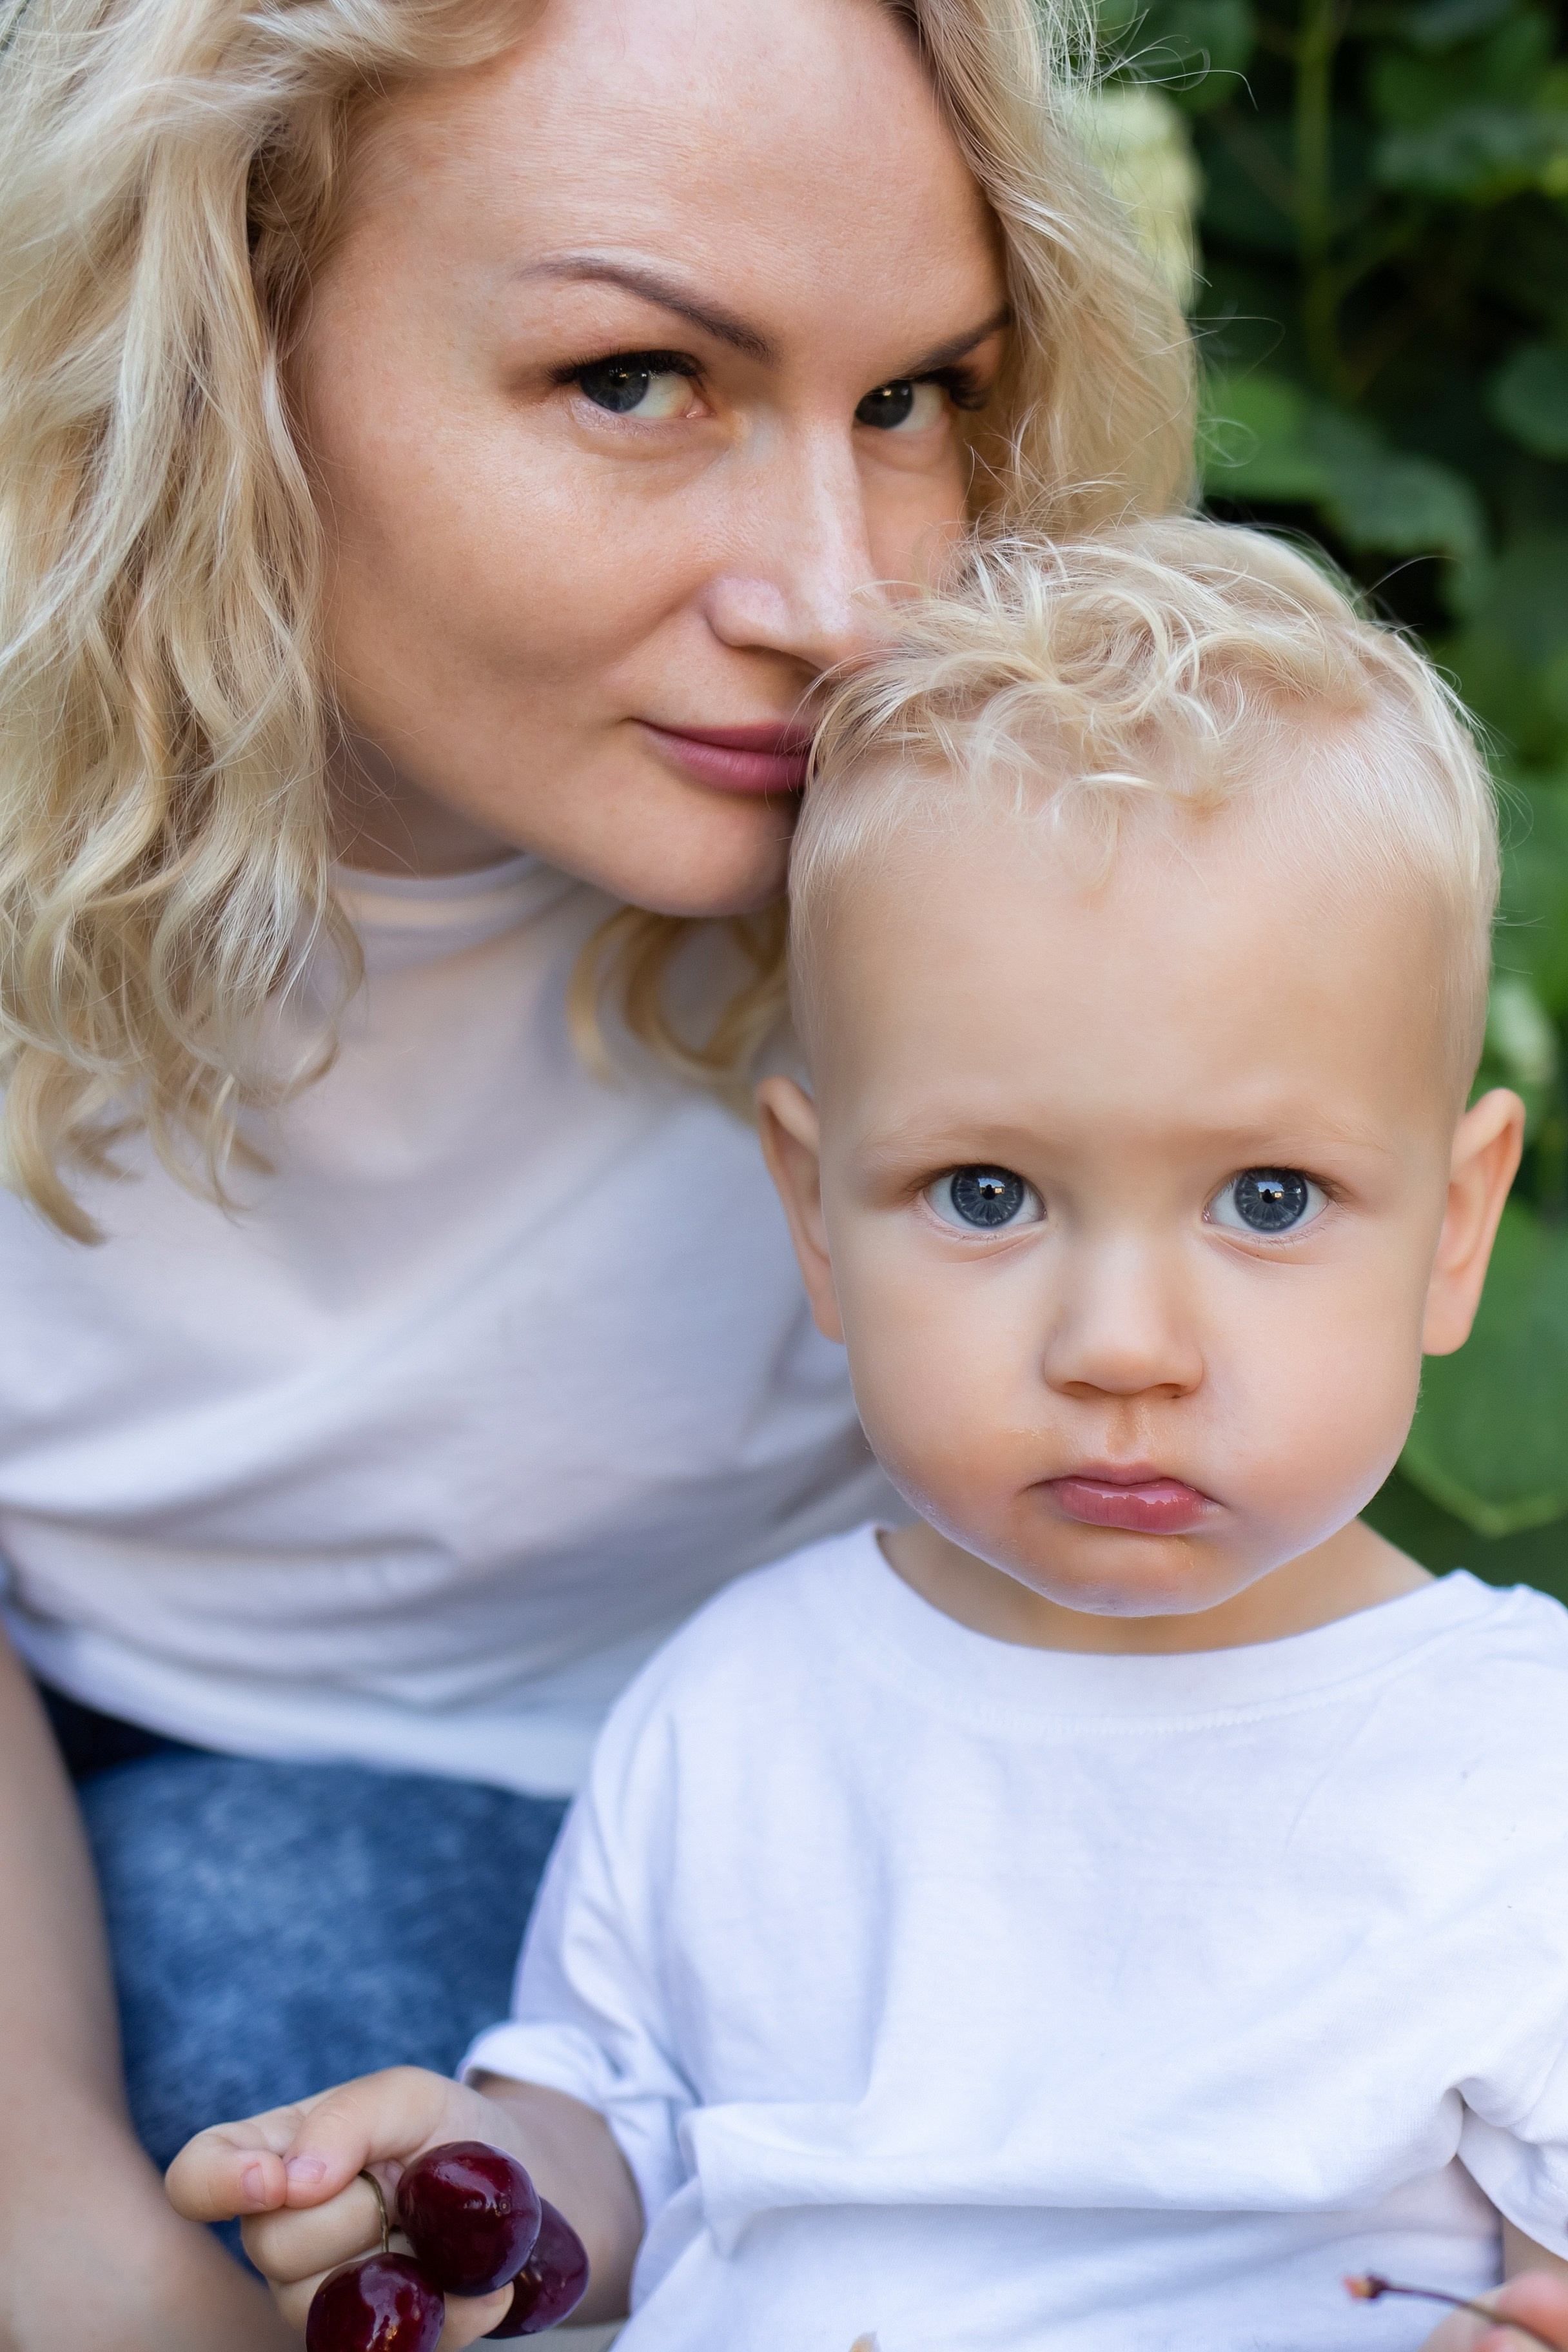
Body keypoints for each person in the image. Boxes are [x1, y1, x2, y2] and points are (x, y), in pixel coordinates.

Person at [0, 0, 1193, 2337]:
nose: (845, 603)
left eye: (913, 398)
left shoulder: (1006, 817)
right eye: (637, 380)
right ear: (216, 336)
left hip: (853, 1798)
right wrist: (54, 2214)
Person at [173, 520, 1568, 2350]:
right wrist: (479, 2189)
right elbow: (619, 2143)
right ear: (818, 1215)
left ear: (1454, 1232)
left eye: (1271, 1199)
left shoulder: (1518, 1768)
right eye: (987, 1194)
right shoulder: (745, 1704)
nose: (1121, 1345)